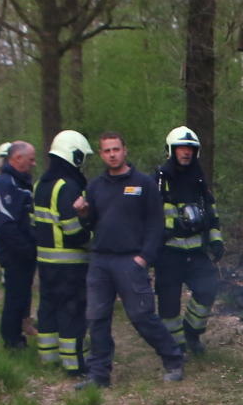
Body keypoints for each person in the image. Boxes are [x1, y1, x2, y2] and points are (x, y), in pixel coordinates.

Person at [75, 132, 185, 389]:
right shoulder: (95, 186)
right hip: (101, 260)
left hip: (130, 261)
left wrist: (144, 257)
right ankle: (98, 374)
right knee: (97, 317)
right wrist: (83, 213)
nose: (112, 154)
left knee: (142, 315)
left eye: (116, 149)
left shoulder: (143, 183)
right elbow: (90, 223)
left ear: (125, 151)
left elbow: (156, 225)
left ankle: (173, 359)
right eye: (106, 151)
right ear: (101, 155)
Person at [155, 126, 224, 355]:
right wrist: (173, 227)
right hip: (169, 253)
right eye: (181, 148)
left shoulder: (199, 180)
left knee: (208, 289)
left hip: (196, 252)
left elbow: (212, 215)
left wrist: (216, 241)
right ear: (171, 151)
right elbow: (149, 216)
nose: (186, 153)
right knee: (169, 304)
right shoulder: (159, 180)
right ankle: (175, 347)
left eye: (190, 149)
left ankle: (191, 332)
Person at [31, 131, 95, 375]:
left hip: (45, 262)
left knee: (48, 308)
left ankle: (48, 359)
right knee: (72, 311)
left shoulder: (40, 185)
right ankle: (75, 364)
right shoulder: (67, 187)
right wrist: (92, 237)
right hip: (69, 263)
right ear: (74, 155)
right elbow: (73, 232)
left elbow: (34, 223)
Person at [0, 141, 38, 350]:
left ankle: (18, 336)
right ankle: (12, 341)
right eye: (31, 159)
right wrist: (25, 249)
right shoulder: (5, 183)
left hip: (25, 251)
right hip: (14, 252)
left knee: (22, 295)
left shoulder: (21, 182)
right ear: (17, 158)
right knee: (14, 296)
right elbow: (5, 223)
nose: (34, 164)